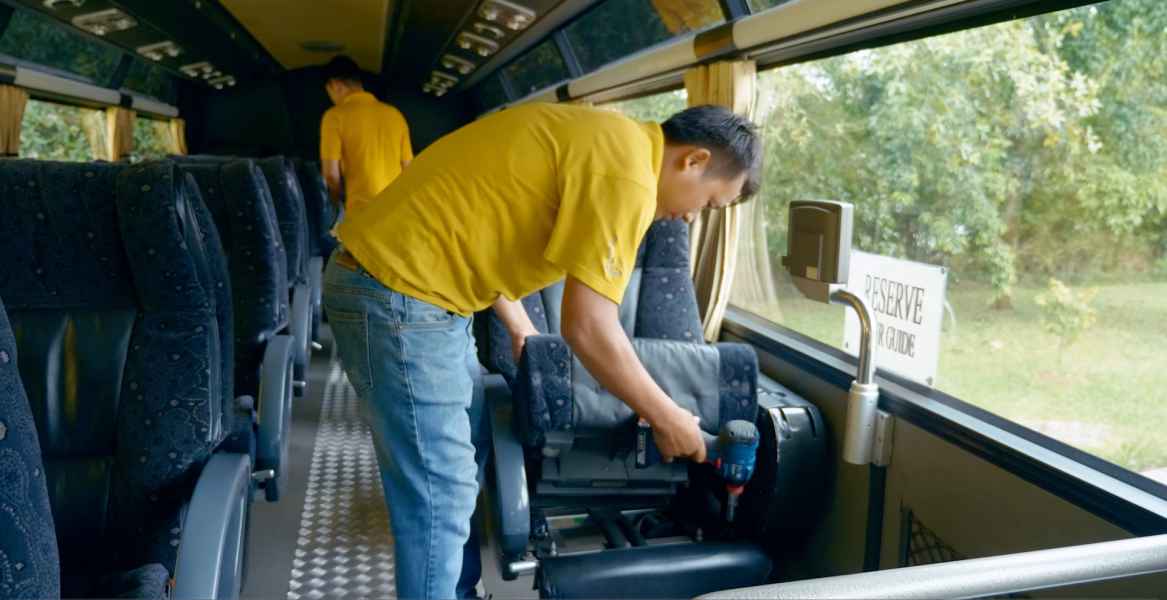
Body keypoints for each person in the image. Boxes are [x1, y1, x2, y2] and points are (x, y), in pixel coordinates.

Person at [323, 102, 761, 599]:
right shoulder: (629, 177)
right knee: (438, 492)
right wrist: (668, 416)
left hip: (423, 293)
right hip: (401, 295)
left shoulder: (609, 138)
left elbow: (488, 221)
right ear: (694, 160)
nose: (692, 216)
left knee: (467, 450)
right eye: (709, 203)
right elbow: (589, 328)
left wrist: (520, 327)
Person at [319, 55, 413, 214]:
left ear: (335, 85)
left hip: (362, 212)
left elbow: (331, 175)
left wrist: (335, 210)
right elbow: (408, 169)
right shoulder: (395, 115)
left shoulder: (335, 116)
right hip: (397, 210)